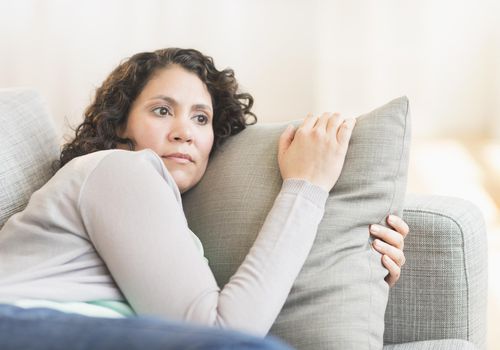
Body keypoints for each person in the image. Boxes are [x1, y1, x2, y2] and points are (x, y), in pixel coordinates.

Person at [0, 48, 409, 349]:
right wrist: (306, 186)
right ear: (120, 123)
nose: (185, 132)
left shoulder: (164, 222)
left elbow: (229, 318)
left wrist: (354, 259)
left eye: (201, 118)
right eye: (162, 111)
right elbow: (219, 335)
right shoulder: (119, 169)